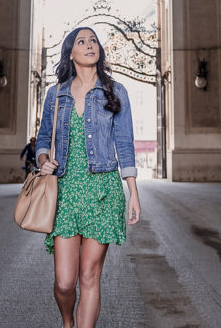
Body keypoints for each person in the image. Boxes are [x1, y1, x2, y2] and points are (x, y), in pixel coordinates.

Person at [35, 26, 141, 328]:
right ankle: (68, 321)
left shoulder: (115, 91)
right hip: (66, 191)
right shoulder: (56, 94)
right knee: (66, 283)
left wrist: (132, 191)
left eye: (93, 40)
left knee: (90, 275)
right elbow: (43, 139)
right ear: (71, 52)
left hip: (104, 190)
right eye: (81, 41)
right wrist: (44, 160)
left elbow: (124, 143)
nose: (89, 45)